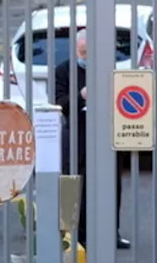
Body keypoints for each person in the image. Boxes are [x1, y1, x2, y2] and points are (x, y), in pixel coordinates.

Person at [54, 28, 131, 250]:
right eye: (82, 51)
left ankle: (111, 232)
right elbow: (60, 103)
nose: (85, 56)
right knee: (73, 184)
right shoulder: (63, 70)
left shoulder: (107, 69)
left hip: (105, 133)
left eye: (89, 51)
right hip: (77, 136)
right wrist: (81, 95)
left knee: (111, 184)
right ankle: (71, 237)